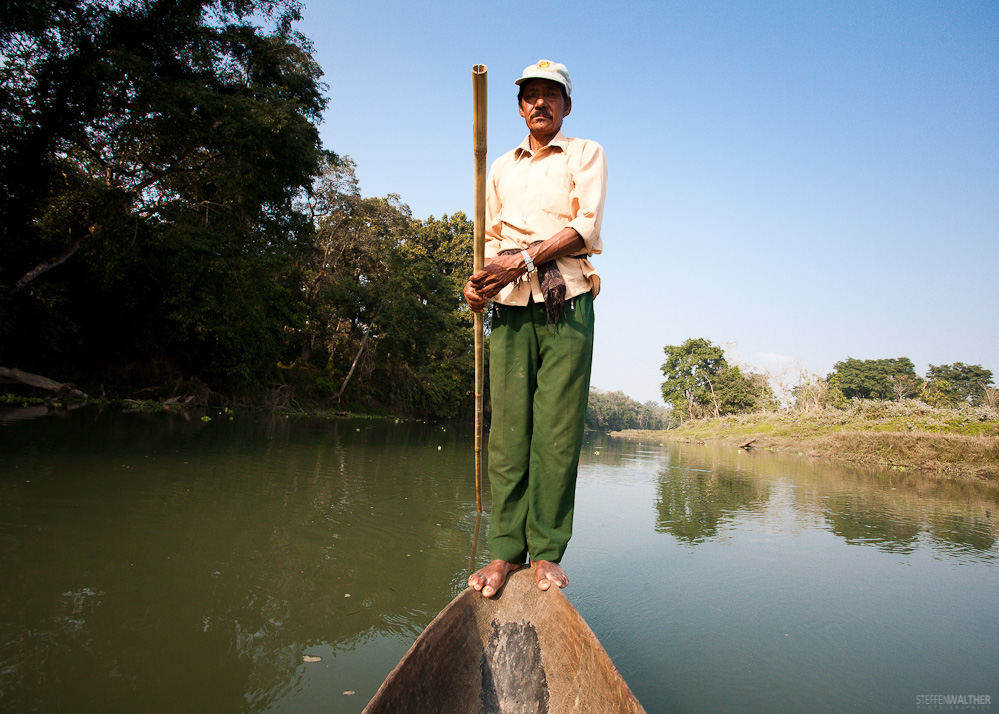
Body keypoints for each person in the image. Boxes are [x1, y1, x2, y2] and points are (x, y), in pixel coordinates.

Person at [464, 60, 607, 597]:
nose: (540, 103)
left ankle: (546, 551)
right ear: (519, 106)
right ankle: (504, 551)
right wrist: (474, 286)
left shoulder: (585, 153)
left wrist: (520, 260)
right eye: (530, 96)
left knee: (556, 433)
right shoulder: (499, 166)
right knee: (508, 436)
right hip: (509, 307)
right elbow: (487, 238)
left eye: (552, 95)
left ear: (566, 106)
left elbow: (584, 228)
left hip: (565, 300)